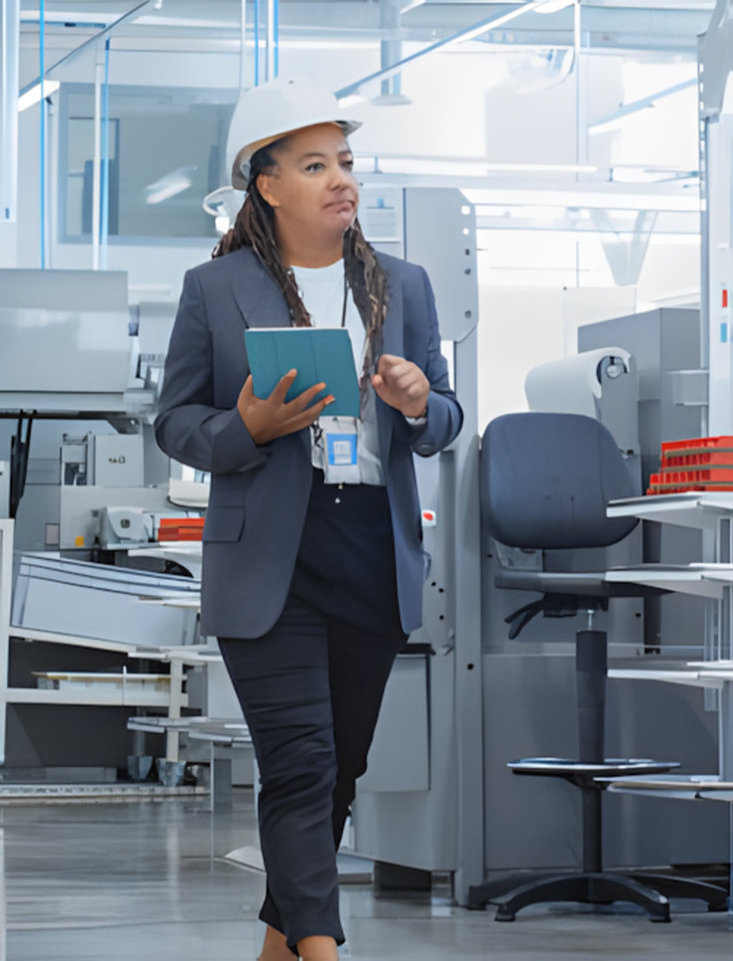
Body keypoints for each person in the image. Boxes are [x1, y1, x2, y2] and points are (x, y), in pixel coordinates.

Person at [155, 78, 463, 961]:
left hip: (370, 546)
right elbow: (175, 420)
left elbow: (447, 418)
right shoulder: (215, 289)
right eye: (317, 164)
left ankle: (276, 946)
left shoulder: (400, 284)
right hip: (271, 558)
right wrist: (245, 427)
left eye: (347, 162)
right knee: (301, 762)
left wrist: (414, 402)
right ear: (268, 184)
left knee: (341, 769)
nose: (343, 180)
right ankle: (327, 949)